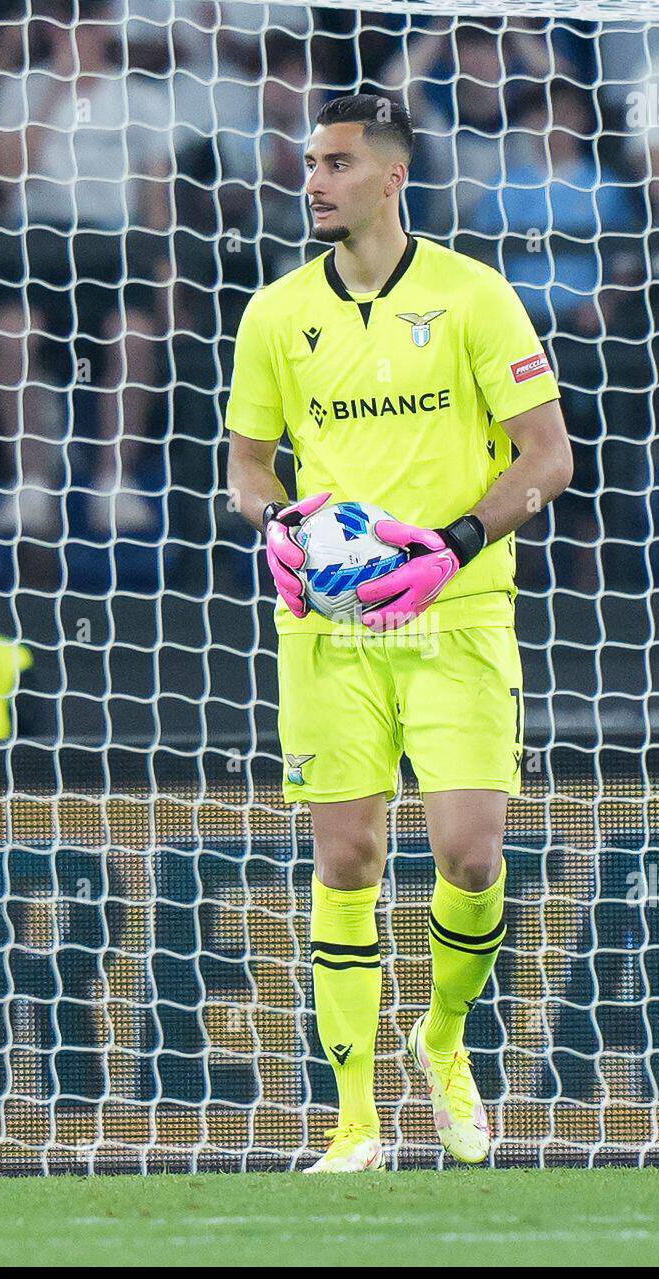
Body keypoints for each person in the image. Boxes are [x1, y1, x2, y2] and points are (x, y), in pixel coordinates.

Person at [226, 93, 572, 1173]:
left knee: (470, 857)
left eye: (333, 163)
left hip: (460, 613)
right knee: (346, 856)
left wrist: (454, 543)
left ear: (389, 177)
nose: (312, 180)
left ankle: (447, 1040)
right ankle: (355, 1123)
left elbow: (547, 458)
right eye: (308, 162)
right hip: (332, 626)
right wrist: (280, 526)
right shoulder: (277, 314)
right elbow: (246, 464)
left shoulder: (474, 297)